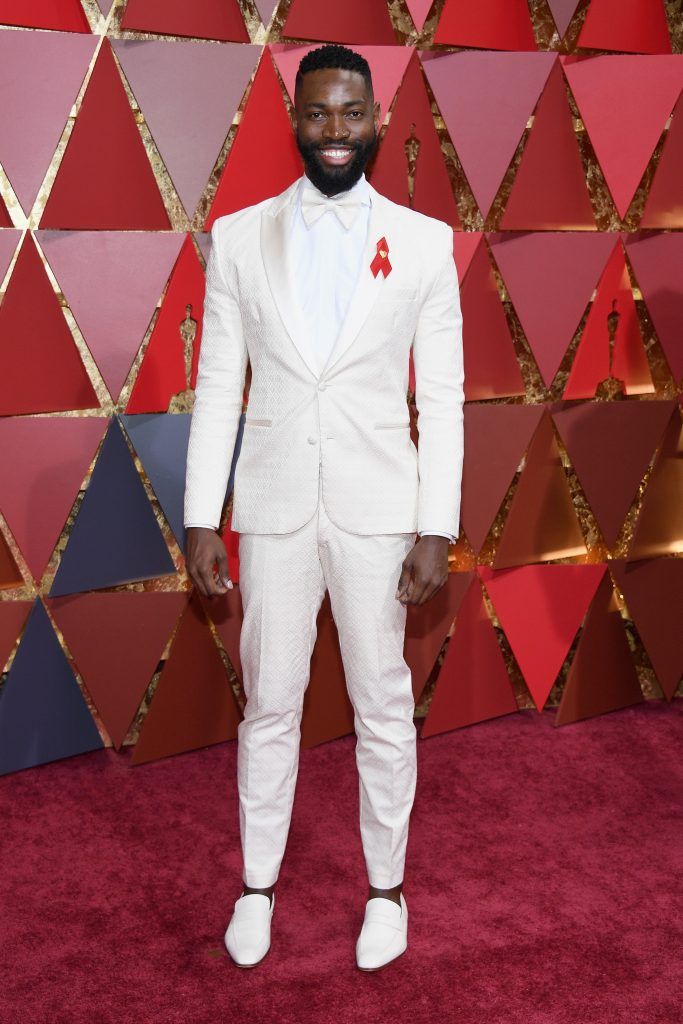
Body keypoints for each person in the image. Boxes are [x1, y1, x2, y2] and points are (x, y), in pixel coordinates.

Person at [183, 43, 464, 971]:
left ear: (377, 120)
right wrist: (200, 515)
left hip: (381, 510)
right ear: (294, 120)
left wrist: (436, 525)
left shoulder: (425, 244)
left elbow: (446, 397)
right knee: (270, 703)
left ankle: (386, 892)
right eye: (317, 114)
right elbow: (219, 383)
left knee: (382, 705)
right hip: (269, 509)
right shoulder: (237, 236)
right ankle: (257, 886)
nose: (334, 131)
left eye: (351, 113)